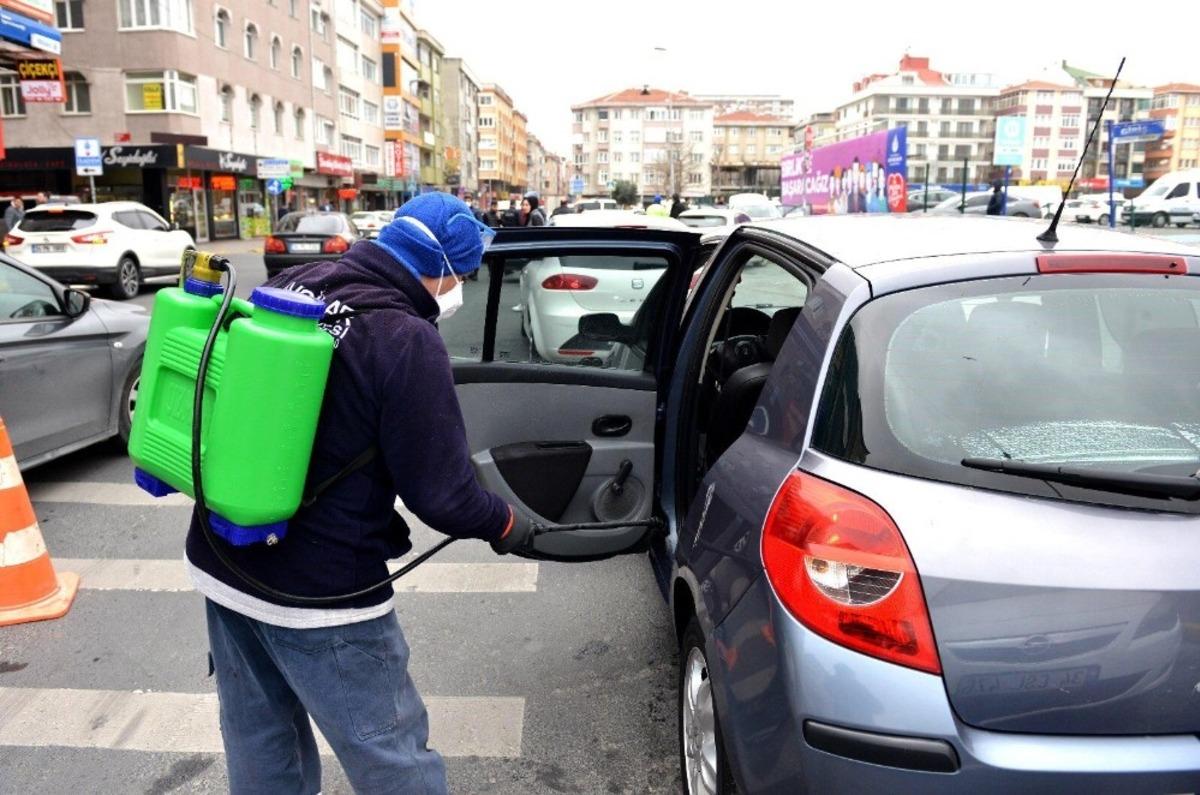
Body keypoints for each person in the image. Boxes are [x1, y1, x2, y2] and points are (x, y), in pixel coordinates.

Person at [188, 192, 537, 795]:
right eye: (467, 273)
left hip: (224, 553)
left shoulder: (301, 278)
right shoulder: (404, 337)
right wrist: (505, 522)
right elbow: (443, 496)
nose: (464, 288)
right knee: (392, 756)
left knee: (260, 738)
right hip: (323, 589)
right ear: (444, 271)